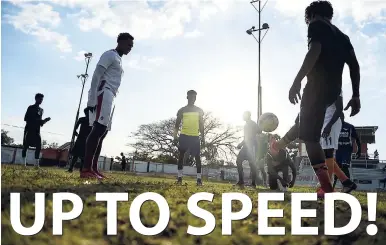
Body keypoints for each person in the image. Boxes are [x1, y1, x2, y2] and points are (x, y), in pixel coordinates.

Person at [269, 1, 361, 197]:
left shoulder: (316, 25)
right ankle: (330, 186)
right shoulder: (343, 36)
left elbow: (314, 51)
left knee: (310, 138)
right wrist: (356, 94)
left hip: (316, 88)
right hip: (334, 91)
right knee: (311, 136)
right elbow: (354, 65)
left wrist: (297, 81)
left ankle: (327, 189)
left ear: (310, 15)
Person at [81, 32, 134, 179]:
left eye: (132, 46)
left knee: (103, 132)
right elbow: (97, 75)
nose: (130, 48)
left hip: (111, 95)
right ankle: (86, 169)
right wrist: (91, 100)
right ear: (121, 42)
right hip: (103, 92)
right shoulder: (109, 55)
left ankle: (93, 168)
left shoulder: (118, 59)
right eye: (129, 44)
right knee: (98, 129)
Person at [319, 93, 357, 193]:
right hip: (326, 123)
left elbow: (339, 108)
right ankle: (347, 183)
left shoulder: (334, 83)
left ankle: (327, 188)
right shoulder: (322, 87)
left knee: (328, 154)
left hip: (331, 123)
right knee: (327, 156)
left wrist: (329, 125)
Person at [173, 90, 205, 186]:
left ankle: (199, 180)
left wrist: (203, 137)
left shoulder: (199, 110)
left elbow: (201, 124)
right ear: (187, 97)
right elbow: (177, 124)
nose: (192, 99)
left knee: (198, 157)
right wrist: (175, 136)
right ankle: (179, 178)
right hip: (184, 135)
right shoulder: (182, 110)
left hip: (195, 136)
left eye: (194, 97)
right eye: (191, 97)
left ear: (196, 98)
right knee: (181, 156)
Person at [333, 112, 361, 189]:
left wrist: (359, 150)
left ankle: (348, 185)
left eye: (340, 117)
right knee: (337, 168)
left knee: (344, 166)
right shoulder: (334, 127)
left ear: (343, 117)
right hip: (338, 150)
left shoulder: (349, 126)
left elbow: (356, 139)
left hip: (346, 149)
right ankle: (332, 186)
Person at [22, 93, 51, 167]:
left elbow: (41, 123)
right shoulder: (30, 107)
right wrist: (36, 121)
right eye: (39, 99)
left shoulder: (41, 110)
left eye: (42, 99)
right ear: (36, 99)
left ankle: (36, 165)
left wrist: (45, 120)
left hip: (37, 130)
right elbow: (26, 118)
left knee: (38, 146)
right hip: (29, 129)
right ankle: (23, 164)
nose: (41, 100)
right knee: (25, 146)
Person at [235, 111, 259, 188]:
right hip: (246, 146)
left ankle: (253, 183)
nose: (243, 117)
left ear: (248, 116)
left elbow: (254, 134)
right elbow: (246, 137)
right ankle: (241, 181)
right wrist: (241, 144)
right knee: (238, 161)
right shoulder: (246, 125)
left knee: (252, 165)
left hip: (251, 147)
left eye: (244, 115)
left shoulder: (252, 124)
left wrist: (240, 144)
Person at [67, 108, 92, 173]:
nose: (87, 114)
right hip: (80, 138)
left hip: (87, 139)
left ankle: (81, 170)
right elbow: (76, 125)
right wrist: (75, 131)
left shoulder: (92, 121)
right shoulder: (82, 119)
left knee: (83, 156)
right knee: (76, 154)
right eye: (86, 113)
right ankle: (71, 168)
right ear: (85, 113)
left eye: (89, 113)